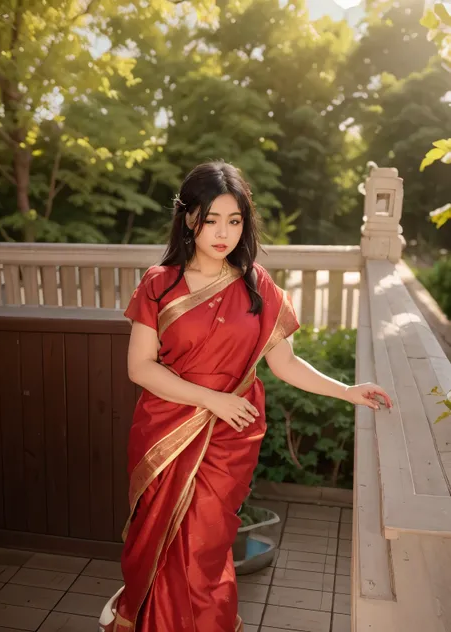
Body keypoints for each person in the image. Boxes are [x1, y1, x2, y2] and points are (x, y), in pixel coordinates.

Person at [99, 160, 392, 632]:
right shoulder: (160, 283)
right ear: (188, 218)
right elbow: (140, 367)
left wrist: (348, 391)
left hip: (228, 441)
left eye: (234, 221)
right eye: (211, 219)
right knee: (157, 542)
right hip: (166, 431)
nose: (223, 233)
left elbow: (286, 364)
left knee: (205, 550)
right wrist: (211, 400)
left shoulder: (257, 286)